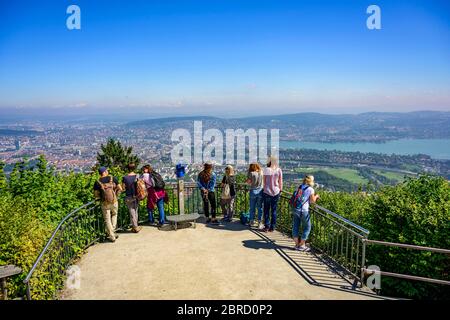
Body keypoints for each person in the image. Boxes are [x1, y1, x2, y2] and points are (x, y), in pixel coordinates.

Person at [93, 166, 122, 242]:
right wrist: (116, 194)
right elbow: (120, 188)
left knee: (107, 219)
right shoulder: (112, 178)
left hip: (104, 203)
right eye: (107, 170)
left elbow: (96, 194)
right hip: (114, 201)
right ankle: (113, 230)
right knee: (114, 215)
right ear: (104, 172)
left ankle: (112, 236)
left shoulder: (97, 182)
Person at [292, 175, 319, 252]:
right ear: (311, 181)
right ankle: (301, 245)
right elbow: (312, 201)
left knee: (296, 226)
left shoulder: (301, 186)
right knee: (308, 227)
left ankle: (296, 244)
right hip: (304, 210)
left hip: (296, 209)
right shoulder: (311, 189)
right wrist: (316, 196)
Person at [262, 156, 283, 232]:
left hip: (267, 191)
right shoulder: (279, 170)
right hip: (276, 192)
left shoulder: (266, 170)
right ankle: (272, 227)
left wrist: (264, 188)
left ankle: (266, 226)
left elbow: (263, 181)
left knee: (266, 210)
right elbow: (280, 181)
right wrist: (280, 190)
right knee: (274, 210)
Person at [122, 163, 142, 233]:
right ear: (134, 168)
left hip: (129, 196)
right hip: (137, 196)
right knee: (135, 211)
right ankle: (135, 226)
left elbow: (123, 188)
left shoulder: (125, 178)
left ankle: (135, 227)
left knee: (132, 211)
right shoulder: (137, 176)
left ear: (128, 169)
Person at [247, 163, 264, 228]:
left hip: (253, 191)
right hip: (260, 191)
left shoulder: (251, 173)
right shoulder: (261, 172)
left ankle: (251, 221)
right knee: (260, 208)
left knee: (252, 207)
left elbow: (248, 182)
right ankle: (259, 222)